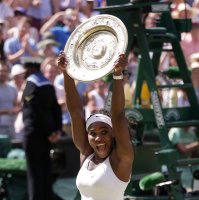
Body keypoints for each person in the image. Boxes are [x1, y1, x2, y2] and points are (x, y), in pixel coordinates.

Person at [57, 51, 134, 200]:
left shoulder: (121, 157)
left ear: (113, 134)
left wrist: (118, 75)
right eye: (93, 133)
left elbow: (118, 116)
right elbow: (75, 112)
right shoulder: (87, 153)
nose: (98, 138)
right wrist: (66, 73)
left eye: (104, 132)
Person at [22, 57, 62, 200]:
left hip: (35, 135)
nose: (23, 72)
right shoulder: (48, 85)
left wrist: (50, 131)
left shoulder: (31, 84)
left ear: (30, 69)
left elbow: (36, 111)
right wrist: (56, 130)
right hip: (47, 136)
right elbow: (56, 109)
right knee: (45, 171)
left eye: (25, 69)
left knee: (34, 173)